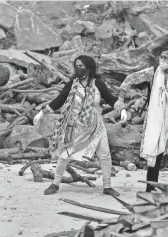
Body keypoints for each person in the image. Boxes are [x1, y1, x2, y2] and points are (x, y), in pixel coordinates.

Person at [33, 55, 124, 197]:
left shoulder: (98, 84)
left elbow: (111, 99)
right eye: (77, 66)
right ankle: (55, 183)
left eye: (81, 66)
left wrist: (121, 109)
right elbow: (60, 100)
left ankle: (107, 186)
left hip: (96, 126)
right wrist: (42, 113)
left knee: (104, 155)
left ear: (89, 68)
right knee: (64, 156)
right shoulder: (72, 85)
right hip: (76, 126)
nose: (78, 68)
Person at [114, 48, 168, 192]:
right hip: (156, 116)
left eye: (165, 57)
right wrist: (121, 98)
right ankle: (150, 187)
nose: (161, 60)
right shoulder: (153, 71)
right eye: (161, 57)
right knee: (155, 147)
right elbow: (130, 79)